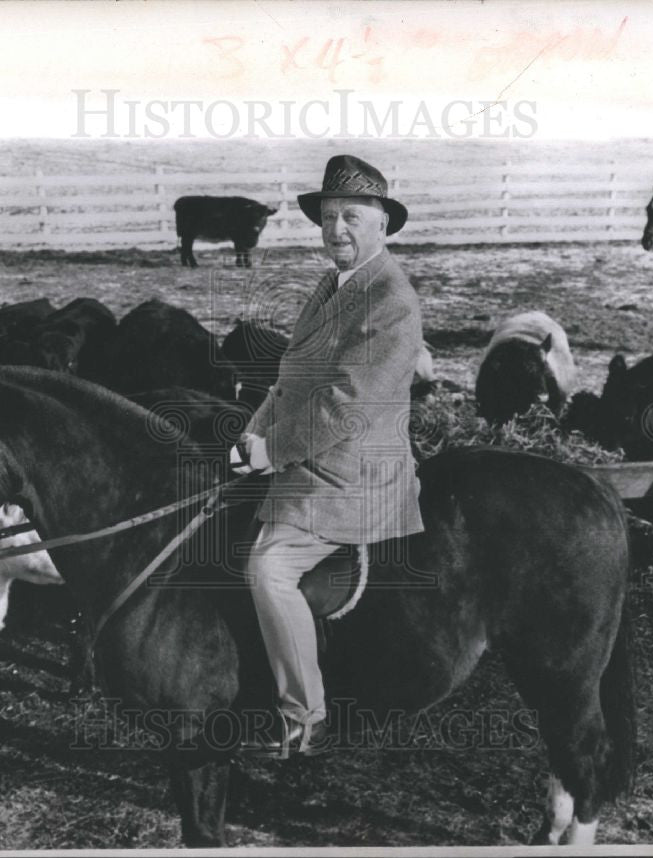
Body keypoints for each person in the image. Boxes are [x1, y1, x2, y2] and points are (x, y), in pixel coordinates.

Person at [229, 155, 425, 757]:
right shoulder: (334, 284)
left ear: (383, 223)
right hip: (308, 454)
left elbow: (349, 404)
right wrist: (251, 437)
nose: (337, 229)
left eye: (352, 217)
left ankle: (304, 718)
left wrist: (274, 449)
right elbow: (291, 379)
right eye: (330, 216)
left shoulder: (392, 300)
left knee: (268, 568)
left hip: (353, 472)